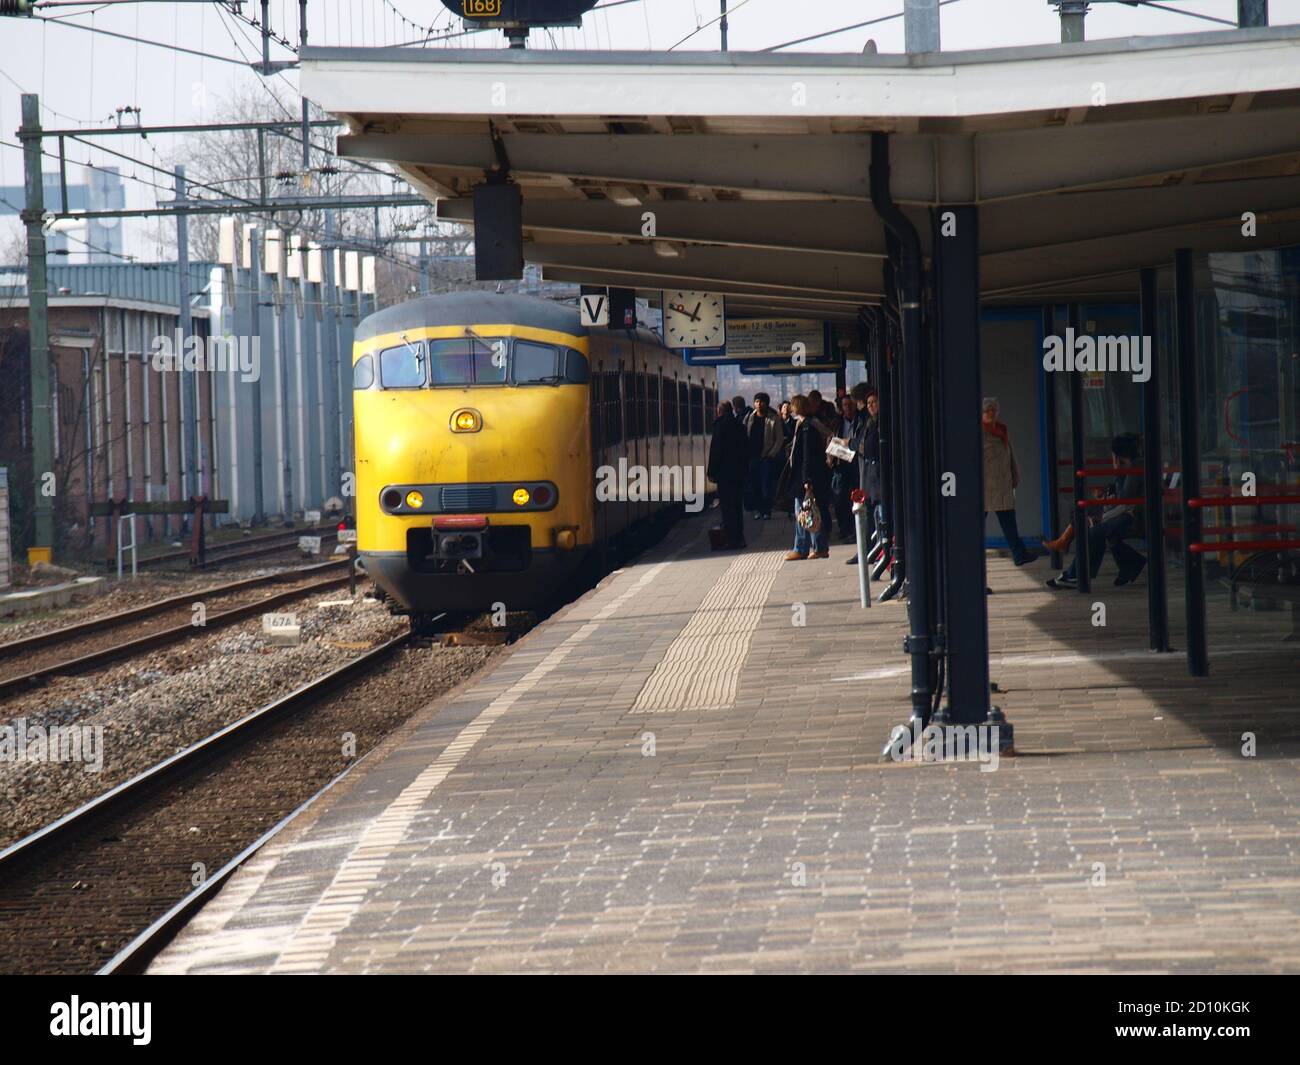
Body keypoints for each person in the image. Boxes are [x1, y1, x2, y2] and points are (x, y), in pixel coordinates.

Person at [1047, 433, 1147, 589]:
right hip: (1129, 513)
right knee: (1088, 515)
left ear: (1120, 456)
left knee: (1095, 531)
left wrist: (1101, 518)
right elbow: (1121, 499)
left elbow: (1124, 500)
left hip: (1137, 517)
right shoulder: (1131, 467)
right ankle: (1130, 563)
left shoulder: (1135, 468)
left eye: (1113, 456)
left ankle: (1076, 574)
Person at [982, 397, 1037, 567]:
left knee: (1008, 521)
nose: (991, 413)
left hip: (1003, 485)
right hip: (987, 486)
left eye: (994, 410)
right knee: (977, 525)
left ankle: (1019, 553)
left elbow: (1010, 454)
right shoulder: (978, 432)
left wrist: (1016, 474)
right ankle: (1018, 553)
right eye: (988, 410)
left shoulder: (1002, 430)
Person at [784, 395, 834, 561]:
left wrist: (806, 479)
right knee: (810, 512)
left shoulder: (806, 427)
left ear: (796, 407)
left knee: (805, 513)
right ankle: (817, 547)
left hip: (805, 477)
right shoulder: (808, 424)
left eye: (792, 406)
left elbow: (807, 455)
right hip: (810, 475)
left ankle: (802, 547)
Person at [845, 384, 881, 566]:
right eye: (867, 403)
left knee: (874, 516)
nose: (869, 406)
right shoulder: (868, 421)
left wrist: (850, 443)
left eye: (873, 402)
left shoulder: (874, 422)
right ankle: (869, 551)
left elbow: (867, 447)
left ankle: (873, 552)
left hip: (875, 477)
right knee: (870, 515)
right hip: (868, 476)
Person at [707, 400, 749, 549]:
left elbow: (715, 452)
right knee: (737, 506)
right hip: (739, 474)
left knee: (727, 508)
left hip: (725, 476)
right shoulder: (740, 427)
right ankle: (740, 538)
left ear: (720, 411)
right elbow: (746, 451)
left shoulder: (719, 427)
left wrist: (711, 472)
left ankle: (731, 540)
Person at [742, 392, 784, 520]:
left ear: (766, 404)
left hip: (766, 457)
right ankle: (758, 509)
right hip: (752, 457)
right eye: (757, 402)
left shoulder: (773, 419)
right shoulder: (749, 418)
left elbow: (779, 439)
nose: (759, 405)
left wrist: (772, 454)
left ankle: (767, 510)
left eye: (762, 402)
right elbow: (743, 435)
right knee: (754, 485)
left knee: (766, 485)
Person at [829, 394, 862, 543]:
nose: (848, 408)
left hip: (856, 462)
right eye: (845, 405)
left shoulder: (861, 421)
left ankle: (857, 529)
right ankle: (844, 528)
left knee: (856, 495)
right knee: (840, 497)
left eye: (850, 405)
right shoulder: (837, 423)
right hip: (841, 462)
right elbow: (830, 439)